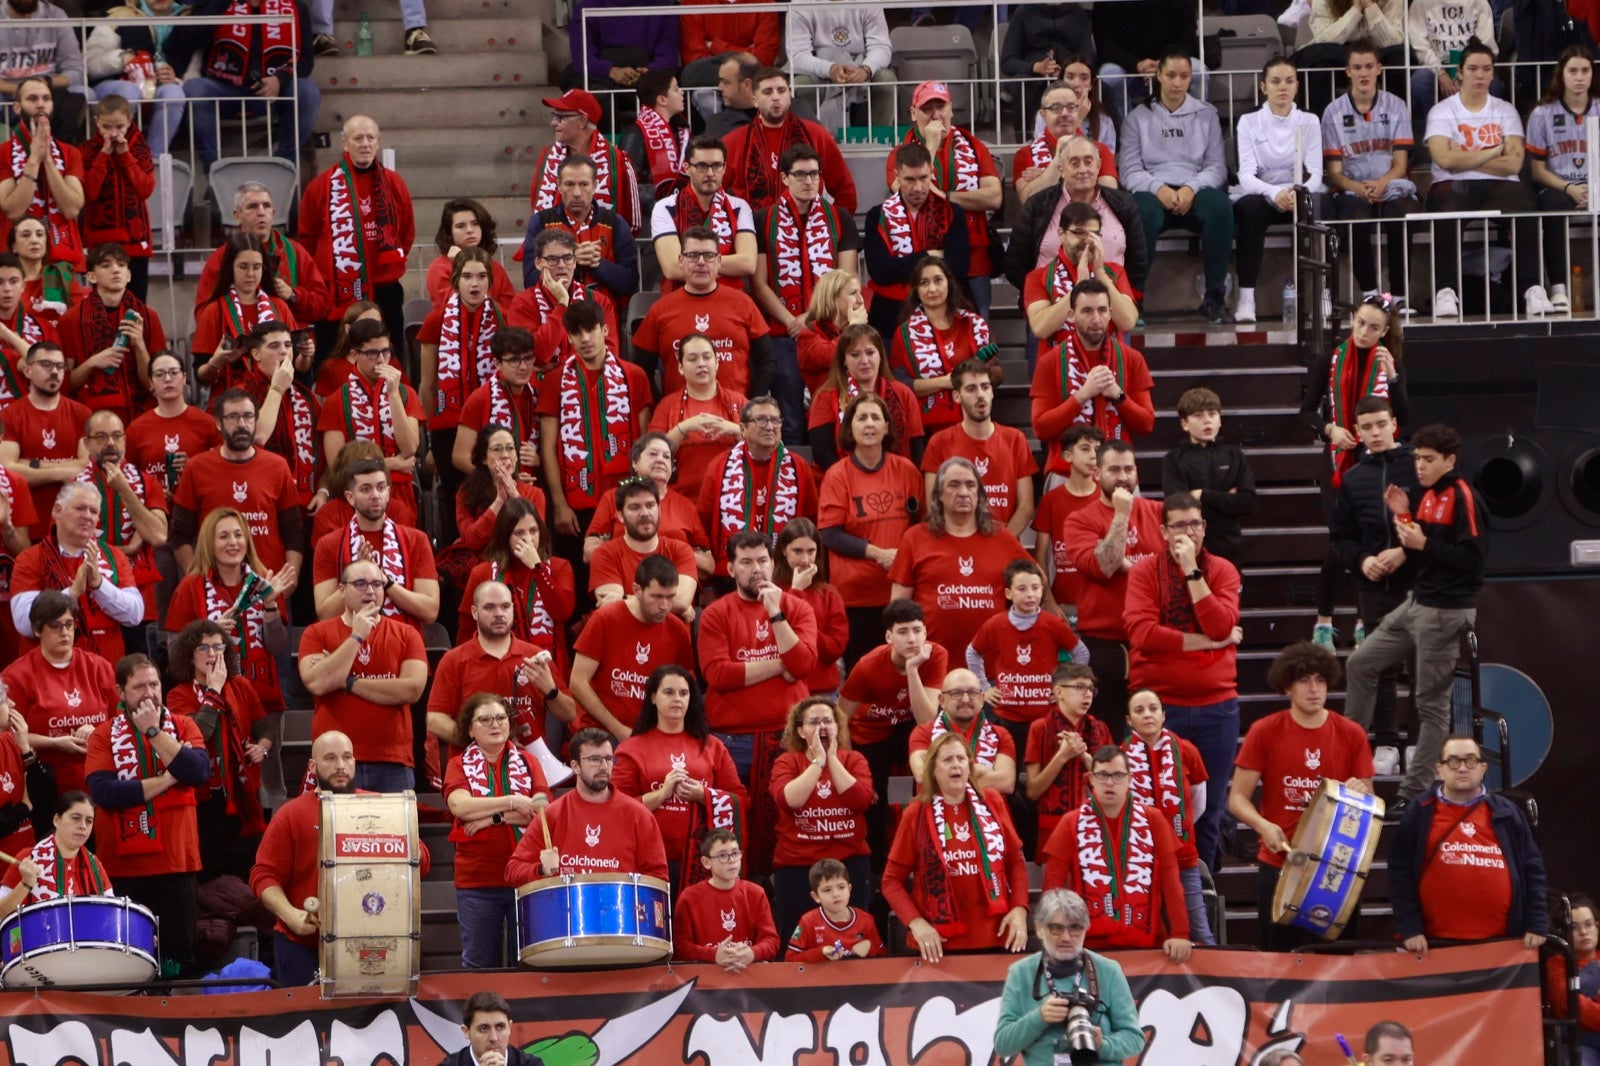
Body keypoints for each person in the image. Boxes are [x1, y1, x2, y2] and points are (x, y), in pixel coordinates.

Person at [1344, 423, 1485, 813]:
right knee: (1360, 663)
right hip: (1418, 601)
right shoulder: (1425, 495)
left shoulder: (1462, 496)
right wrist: (1405, 519)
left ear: (1450, 461)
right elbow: (1423, 551)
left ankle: (1414, 791)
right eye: (1417, 458)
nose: (1419, 466)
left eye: (1428, 460)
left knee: (1430, 703)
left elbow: (1474, 563)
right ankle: (1346, 763)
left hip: (1447, 609)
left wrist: (1423, 541)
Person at [250, 729, 432, 987]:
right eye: (330, 758)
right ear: (312, 766)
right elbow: (263, 876)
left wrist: (395, 835)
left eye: (347, 757)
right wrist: (290, 914)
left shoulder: (380, 807)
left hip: (370, 939)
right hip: (303, 943)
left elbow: (421, 863)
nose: (340, 766)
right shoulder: (290, 814)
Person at [1124, 492, 1243, 874]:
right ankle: (1154, 887)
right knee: (1154, 806)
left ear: (1205, 528)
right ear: (1162, 531)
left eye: (1194, 524)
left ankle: (1202, 889)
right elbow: (1142, 633)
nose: (1188, 532)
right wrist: (1208, 643)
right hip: (1160, 708)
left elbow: (1221, 624)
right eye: (1179, 525)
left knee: (1207, 808)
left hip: (1216, 707)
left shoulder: (1222, 570)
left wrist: (1193, 571)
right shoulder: (1144, 572)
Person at [1229, 641, 1374, 951]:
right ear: (1287, 687)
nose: (1314, 688)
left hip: (1336, 869)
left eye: (1320, 680)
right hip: (1281, 861)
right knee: (1280, 964)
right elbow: (1237, 798)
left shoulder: (1351, 733)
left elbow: (1369, 801)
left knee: (1337, 967)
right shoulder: (1264, 731)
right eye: (1304, 680)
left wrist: (1359, 792)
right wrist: (1263, 825)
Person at [85, 653, 210, 978]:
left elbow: (196, 771)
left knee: (178, 959)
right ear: (121, 692)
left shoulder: (183, 724)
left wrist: (153, 732)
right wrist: (169, 778)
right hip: (122, 868)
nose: (149, 693)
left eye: (154, 684)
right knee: (127, 960)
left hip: (177, 862)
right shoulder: (102, 734)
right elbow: (105, 793)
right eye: (139, 686)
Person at [1303, 293, 1408, 648]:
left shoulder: (1389, 360)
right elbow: (1305, 412)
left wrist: (1393, 377)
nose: (1363, 332)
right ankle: (1324, 621)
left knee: (1373, 540)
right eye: (1360, 323)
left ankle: (1365, 620)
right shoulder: (1332, 357)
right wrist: (1329, 429)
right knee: (1339, 542)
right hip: (1338, 459)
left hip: (1376, 463)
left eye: (1373, 327)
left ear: (1385, 330)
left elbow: (1404, 421)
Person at [1390, 733, 1547, 955]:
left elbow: (1533, 870)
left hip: (1504, 947)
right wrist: (1410, 928)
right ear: (1439, 769)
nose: (1462, 768)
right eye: (1453, 761)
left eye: (1471, 760)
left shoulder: (1508, 812)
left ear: (1483, 768)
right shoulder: (1420, 811)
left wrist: (1536, 922)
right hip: (1435, 947)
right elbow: (1400, 874)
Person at [883, 731, 1029, 960]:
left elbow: (1015, 861)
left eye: (961, 759)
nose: (956, 765)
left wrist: (1019, 909)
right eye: (948, 760)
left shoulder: (991, 801)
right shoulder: (916, 813)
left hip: (995, 938)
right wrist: (917, 924)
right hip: (938, 946)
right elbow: (891, 881)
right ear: (933, 769)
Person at [752, 143, 861, 441]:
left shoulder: (840, 217)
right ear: (784, 178)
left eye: (814, 174)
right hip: (782, 332)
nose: (808, 181)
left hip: (829, 329)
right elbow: (758, 283)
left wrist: (810, 318)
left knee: (833, 410)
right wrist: (791, 321)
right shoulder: (763, 219)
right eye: (800, 174)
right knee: (789, 416)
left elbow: (848, 279)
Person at [1041, 746, 1191, 960]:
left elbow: (1171, 879)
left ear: (1130, 779)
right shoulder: (1070, 822)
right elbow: (1052, 889)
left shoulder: (1153, 819)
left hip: (1147, 946)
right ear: (1091, 779)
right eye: (1103, 775)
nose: (1110, 783)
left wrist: (1180, 933)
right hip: (1087, 949)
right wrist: (1056, 939)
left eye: (1118, 776)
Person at [1422, 39, 1538, 319]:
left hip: (1501, 186)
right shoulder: (1442, 111)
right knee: (1445, 206)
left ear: (1493, 74)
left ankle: (1532, 288)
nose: (1480, 75)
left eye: (1486, 69)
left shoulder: (1505, 110)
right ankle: (1445, 291)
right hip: (1451, 186)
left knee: (1526, 204)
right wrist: (1494, 150)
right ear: (1459, 72)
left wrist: (1467, 155)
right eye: (1473, 68)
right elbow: (1444, 159)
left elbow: (1514, 162)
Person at [1119, 51, 1234, 323]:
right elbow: (1129, 170)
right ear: (1158, 76)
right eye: (1170, 75)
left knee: (1220, 207)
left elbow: (1217, 166)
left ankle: (1214, 295)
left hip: (1193, 188)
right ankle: (1134, 297)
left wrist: (1191, 188)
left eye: (1184, 76)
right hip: (1153, 189)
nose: (1177, 82)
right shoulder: (1136, 118)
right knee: (1141, 212)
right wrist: (1158, 188)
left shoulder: (1206, 115)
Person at [1061, 440, 1166, 738]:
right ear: (1097, 474)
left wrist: (1133, 567)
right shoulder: (1079, 519)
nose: (1122, 477)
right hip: (1104, 645)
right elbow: (1104, 566)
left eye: (1129, 469)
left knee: (1156, 733)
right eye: (1114, 469)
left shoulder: (1160, 513)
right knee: (1106, 734)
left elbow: (1179, 572)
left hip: (1154, 641)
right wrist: (1121, 515)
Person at [168, 390, 305, 614]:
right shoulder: (197, 467)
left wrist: (291, 579)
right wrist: (198, 579)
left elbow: (294, 532)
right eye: (233, 417)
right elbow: (180, 535)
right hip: (215, 595)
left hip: (269, 589)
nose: (241, 424)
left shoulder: (277, 466)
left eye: (248, 416)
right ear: (219, 423)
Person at [1329, 397, 1418, 741]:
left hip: (1418, 583)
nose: (1375, 432)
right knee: (1380, 665)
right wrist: (1362, 560)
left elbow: (1434, 525)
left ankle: (1416, 739)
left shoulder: (1417, 465)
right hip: (1374, 586)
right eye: (1367, 427)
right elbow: (1341, 535)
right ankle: (1384, 737)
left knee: (1421, 666)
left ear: (1394, 423)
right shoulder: (1353, 478)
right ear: (1357, 432)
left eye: (1381, 424)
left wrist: (1403, 553)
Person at [298, 558, 428, 792]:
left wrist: (346, 681)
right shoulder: (316, 633)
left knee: (394, 829)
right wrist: (356, 637)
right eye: (360, 584)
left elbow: (411, 689)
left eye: (377, 584)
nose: (370, 591)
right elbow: (317, 682)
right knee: (336, 829)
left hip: (393, 761)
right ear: (341, 590)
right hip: (336, 761)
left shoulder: (407, 634)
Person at [699, 530, 818, 781]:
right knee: (735, 816)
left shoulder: (797, 608)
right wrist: (780, 664)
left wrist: (775, 613)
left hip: (789, 736)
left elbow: (803, 666)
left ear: (773, 564)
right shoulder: (715, 614)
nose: (757, 569)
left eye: (763, 560)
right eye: (746, 562)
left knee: (786, 818)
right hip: (732, 740)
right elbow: (719, 674)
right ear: (731, 569)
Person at [537, 300, 652, 560]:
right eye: (577, 333)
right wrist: (559, 505)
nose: (585, 339)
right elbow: (548, 447)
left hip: (624, 498)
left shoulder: (634, 375)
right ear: (569, 337)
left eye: (591, 330)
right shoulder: (555, 380)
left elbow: (645, 443)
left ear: (605, 330)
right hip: (577, 507)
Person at [444, 692, 550, 969]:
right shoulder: (457, 765)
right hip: (477, 882)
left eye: (501, 718)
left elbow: (541, 811)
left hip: (525, 879)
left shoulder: (529, 762)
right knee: (479, 966)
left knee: (527, 964)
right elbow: (461, 807)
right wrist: (513, 802)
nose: (495, 725)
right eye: (485, 719)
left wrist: (492, 818)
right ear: (469, 729)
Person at [613, 665, 745, 886]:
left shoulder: (713, 746)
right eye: (669, 692)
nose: (677, 699)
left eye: (684, 693)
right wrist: (661, 795)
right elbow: (615, 809)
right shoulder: (631, 748)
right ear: (653, 697)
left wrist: (704, 795)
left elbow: (739, 800)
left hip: (703, 861)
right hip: (648, 858)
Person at [891, 457, 1031, 662]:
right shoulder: (915, 538)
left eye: (970, 485)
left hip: (993, 669)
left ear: (979, 494)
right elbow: (898, 607)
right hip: (932, 666)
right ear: (939, 494)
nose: (964, 492)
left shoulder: (1002, 537)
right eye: (954, 485)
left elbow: (1036, 583)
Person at [429, 580, 567, 785]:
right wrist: (483, 741)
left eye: (505, 606)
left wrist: (551, 691)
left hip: (529, 772)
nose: (499, 613)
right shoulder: (455, 660)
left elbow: (569, 714)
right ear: (474, 612)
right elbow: (435, 720)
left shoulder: (534, 656)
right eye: (490, 607)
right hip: (472, 775)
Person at [993, 889, 1147, 1065]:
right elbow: (1003, 1045)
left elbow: (1135, 1039)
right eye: (1056, 928)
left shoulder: (1108, 970)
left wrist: (1102, 1044)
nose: (1066, 937)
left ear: (1085, 930)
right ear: (1040, 929)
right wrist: (1039, 1017)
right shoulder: (1021, 973)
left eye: (1075, 928)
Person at [298, 116, 415, 346]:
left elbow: (406, 234)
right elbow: (307, 239)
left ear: (378, 141)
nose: (365, 144)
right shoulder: (321, 186)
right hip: (337, 292)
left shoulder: (394, 183)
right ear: (345, 144)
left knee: (389, 360)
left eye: (370, 138)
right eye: (358, 138)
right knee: (334, 360)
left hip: (385, 291)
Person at [888, 82, 1002, 319]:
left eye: (941, 106)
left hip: (974, 259)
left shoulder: (974, 145)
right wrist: (930, 145)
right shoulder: (900, 154)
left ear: (951, 109)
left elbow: (994, 197)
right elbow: (903, 193)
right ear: (913, 113)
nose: (936, 115)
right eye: (927, 108)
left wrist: (946, 198)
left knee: (976, 329)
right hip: (923, 258)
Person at [166, 619, 268, 882]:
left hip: (244, 792)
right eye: (203, 648)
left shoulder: (242, 686)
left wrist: (262, 748)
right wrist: (213, 690)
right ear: (189, 655)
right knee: (210, 877)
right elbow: (198, 734)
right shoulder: (178, 695)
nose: (212, 655)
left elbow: (265, 729)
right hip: (205, 799)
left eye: (218, 647)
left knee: (248, 872)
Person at [818, 391, 924, 641]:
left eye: (875, 417)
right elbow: (830, 534)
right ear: (849, 427)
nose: (869, 424)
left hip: (901, 592)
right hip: (855, 597)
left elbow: (920, 523)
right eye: (861, 417)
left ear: (886, 426)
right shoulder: (837, 475)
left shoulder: (907, 470)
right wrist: (879, 554)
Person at [166, 0, 319, 170]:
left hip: (271, 94)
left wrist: (279, 78)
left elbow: (306, 60)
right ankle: (214, 169)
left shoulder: (296, 7)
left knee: (308, 90)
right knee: (194, 89)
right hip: (224, 89)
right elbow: (186, 40)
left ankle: (285, 165)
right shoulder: (215, 3)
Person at [838, 599, 942, 848]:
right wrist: (850, 765)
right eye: (903, 632)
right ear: (888, 636)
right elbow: (841, 715)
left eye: (917, 630)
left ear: (926, 632)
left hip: (908, 726)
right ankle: (877, 866)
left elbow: (926, 719)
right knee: (874, 801)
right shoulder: (868, 665)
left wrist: (913, 670)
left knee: (935, 749)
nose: (912, 639)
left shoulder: (936, 655)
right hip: (869, 732)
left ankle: (929, 845)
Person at [769, 696, 874, 943]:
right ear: (800, 731)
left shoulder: (854, 760)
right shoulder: (787, 761)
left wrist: (833, 759)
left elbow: (860, 801)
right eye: (814, 722)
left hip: (849, 862)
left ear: (838, 728)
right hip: (797, 864)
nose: (822, 727)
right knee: (795, 941)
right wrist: (818, 761)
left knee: (854, 941)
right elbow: (789, 800)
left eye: (828, 721)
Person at [1229, 57, 1324, 324]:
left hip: (1298, 190)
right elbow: (1246, 175)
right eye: (1275, 81)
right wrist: (1273, 193)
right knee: (1249, 210)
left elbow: (1315, 172)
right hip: (1263, 191)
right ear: (1263, 87)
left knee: (1317, 206)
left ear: (1297, 86)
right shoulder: (1248, 121)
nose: (1283, 87)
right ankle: (1247, 297)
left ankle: (1318, 296)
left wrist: (1297, 193)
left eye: (1289, 81)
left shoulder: (1309, 121)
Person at [504, 727, 668, 882]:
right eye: (594, 760)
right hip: (565, 911)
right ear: (575, 766)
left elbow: (658, 876)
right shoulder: (552, 814)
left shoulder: (639, 815)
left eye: (609, 759)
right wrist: (541, 869)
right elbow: (512, 871)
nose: (604, 767)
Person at [1322, 40, 1418, 302]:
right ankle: (1370, 294)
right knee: (1355, 218)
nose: (1363, 73)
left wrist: (1381, 183)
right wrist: (1359, 188)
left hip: (1391, 185)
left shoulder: (1397, 105)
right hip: (1353, 189)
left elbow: (1400, 164)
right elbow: (1334, 172)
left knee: (1401, 215)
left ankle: (1399, 295)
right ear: (1348, 71)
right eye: (1357, 67)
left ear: (1379, 69)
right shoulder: (1333, 112)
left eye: (1368, 66)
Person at [420, 248, 512, 521]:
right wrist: (429, 445)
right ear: (455, 281)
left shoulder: (502, 316)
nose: (475, 284)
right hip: (447, 428)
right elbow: (427, 385)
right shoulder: (436, 319)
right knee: (455, 505)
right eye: (468, 276)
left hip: (492, 425)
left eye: (482, 276)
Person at [1029, 279, 1154, 479]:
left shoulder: (1132, 358)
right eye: (1087, 311)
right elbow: (1041, 429)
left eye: (1102, 310)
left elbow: (1146, 424)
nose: (1096, 319)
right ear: (1071, 315)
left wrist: (1118, 395)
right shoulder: (1049, 362)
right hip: (1066, 473)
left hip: (1118, 473)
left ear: (1110, 313)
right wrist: (1082, 395)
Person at [632, 226, 772, 400]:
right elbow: (641, 369)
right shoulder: (660, 310)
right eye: (692, 255)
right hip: (680, 419)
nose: (701, 262)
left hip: (735, 417)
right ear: (680, 261)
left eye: (708, 255)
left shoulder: (743, 304)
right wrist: (662, 406)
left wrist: (749, 406)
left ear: (719, 261)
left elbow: (767, 361)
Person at [1007, 134, 1147, 307]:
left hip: (1109, 310)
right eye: (1074, 163)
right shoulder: (1037, 205)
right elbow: (1016, 262)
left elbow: (1138, 261)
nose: (1083, 170)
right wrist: (1039, 298)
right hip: (1050, 312)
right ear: (1061, 169)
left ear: (1099, 166)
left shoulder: (1124, 205)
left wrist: (1121, 300)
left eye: (1088, 162)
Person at [11, 482, 143, 663]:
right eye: (80, 508)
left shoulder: (114, 556)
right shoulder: (30, 558)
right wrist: (71, 594)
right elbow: (24, 623)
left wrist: (99, 585)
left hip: (105, 675)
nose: (88, 516)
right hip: (47, 676)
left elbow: (135, 614)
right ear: (58, 510)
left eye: (94, 511)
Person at [967, 559, 1087, 756]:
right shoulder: (996, 624)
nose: (1030, 594)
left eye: (1035, 588)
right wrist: (984, 688)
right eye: (1022, 589)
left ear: (1042, 590)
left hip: (1046, 715)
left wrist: (1066, 689)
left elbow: (1081, 653)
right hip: (1007, 716)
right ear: (1008, 593)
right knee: (1009, 774)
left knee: (1045, 771)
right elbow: (972, 652)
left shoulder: (1053, 623)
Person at [1122, 687, 1212, 945]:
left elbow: (1199, 802)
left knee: (1200, 931)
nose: (1147, 715)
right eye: (1139, 711)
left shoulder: (1186, 750)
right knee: (1143, 931)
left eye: (1153, 709)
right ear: (1129, 721)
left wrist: (1173, 833)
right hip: (1136, 860)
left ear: (1163, 714)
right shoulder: (1119, 756)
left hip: (1183, 854)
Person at [3, 590, 116, 796]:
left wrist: (98, 731)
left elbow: (120, 721)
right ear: (38, 630)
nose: (64, 632)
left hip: (101, 779)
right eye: (55, 626)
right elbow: (8, 736)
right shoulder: (16, 676)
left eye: (69, 624)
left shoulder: (99, 667)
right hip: (46, 784)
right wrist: (54, 743)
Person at [568, 556, 692, 738]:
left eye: (670, 597)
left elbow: (685, 688)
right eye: (657, 597)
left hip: (652, 736)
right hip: (601, 733)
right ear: (637, 590)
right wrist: (618, 730)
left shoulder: (677, 630)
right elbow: (577, 682)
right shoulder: (605, 619)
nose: (665, 606)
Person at [316, 320, 424, 527]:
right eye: (372, 353)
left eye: (386, 352)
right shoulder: (336, 401)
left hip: (399, 494)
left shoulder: (404, 393)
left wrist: (393, 394)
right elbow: (337, 467)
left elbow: (409, 448)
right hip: (355, 496)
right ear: (354, 354)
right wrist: (391, 463)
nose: (381, 360)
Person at [310, 460, 439, 630]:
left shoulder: (416, 540)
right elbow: (325, 613)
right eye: (365, 489)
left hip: (402, 646)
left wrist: (385, 581)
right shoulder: (328, 544)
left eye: (380, 487)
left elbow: (430, 611)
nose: (375, 495)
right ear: (350, 497)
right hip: (349, 645)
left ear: (388, 492)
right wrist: (356, 573)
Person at [863, 143, 969, 341]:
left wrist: (901, 266)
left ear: (932, 172)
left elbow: (958, 268)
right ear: (897, 176)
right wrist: (928, 256)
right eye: (910, 180)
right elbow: (879, 271)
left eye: (923, 178)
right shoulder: (877, 215)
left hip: (943, 315)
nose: (918, 187)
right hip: (889, 318)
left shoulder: (952, 212)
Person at [456, 500, 575, 674]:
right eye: (519, 533)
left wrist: (537, 569)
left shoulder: (559, 568)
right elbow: (466, 630)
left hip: (548, 671)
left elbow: (562, 612)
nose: (528, 539)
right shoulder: (482, 573)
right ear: (505, 536)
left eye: (533, 531)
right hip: (496, 670)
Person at [699, 394, 818, 568]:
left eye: (775, 420)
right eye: (761, 420)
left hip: (784, 568)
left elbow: (811, 520)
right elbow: (704, 520)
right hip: (732, 570)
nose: (770, 427)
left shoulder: (799, 467)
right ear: (743, 429)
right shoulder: (719, 466)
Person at [192, 182, 331, 331]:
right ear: (237, 216)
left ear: (273, 212)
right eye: (252, 207)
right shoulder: (221, 257)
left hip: (290, 346)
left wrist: (292, 295)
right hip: (239, 345)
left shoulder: (295, 252)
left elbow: (322, 306)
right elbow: (203, 314)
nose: (261, 212)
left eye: (266, 206)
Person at [922, 360, 1036, 538]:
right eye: (971, 389)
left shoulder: (1015, 439)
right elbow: (932, 506)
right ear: (956, 396)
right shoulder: (939, 442)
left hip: (1003, 546)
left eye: (985, 387)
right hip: (956, 546)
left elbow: (1026, 507)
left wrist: (999, 544)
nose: (980, 395)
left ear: (992, 392)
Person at [1526, 45, 1600, 312]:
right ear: (1562, 74)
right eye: (1573, 71)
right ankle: (1558, 288)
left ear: (1593, 74)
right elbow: (1536, 169)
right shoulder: (1542, 113)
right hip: (1559, 184)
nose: (1579, 77)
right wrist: (1569, 188)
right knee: (1553, 208)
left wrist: (1593, 189)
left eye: (1585, 70)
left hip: (1597, 185)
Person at [723, 68, 856, 216]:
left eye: (781, 91)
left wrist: (831, 225)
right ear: (755, 100)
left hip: (807, 229)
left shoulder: (816, 135)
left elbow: (845, 191)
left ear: (789, 96)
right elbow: (714, 192)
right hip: (753, 231)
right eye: (768, 92)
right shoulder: (733, 142)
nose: (776, 97)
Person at [890, 257, 998, 438]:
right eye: (924, 283)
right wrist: (947, 381)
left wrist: (977, 376)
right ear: (916, 289)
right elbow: (901, 385)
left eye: (938, 280)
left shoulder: (975, 324)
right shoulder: (905, 333)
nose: (932, 289)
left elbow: (998, 374)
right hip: (925, 431)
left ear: (949, 283)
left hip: (973, 425)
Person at [78, 408, 167, 627]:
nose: (110, 443)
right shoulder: (74, 487)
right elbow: (67, 544)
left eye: (117, 436)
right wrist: (124, 550)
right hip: (90, 594)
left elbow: (158, 536)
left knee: (140, 661)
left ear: (125, 441)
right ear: (86, 443)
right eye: (101, 437)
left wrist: (124, 490)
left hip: (140, 593)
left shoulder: (146, 482)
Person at [59, 243, 162, 421]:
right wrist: (92, 363)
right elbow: (64, 383)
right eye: (106, 265)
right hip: (90, 416)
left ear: (129, 275)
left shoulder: (148, 317)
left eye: (121, 265)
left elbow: (156, 384)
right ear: (91, 276)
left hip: (140, 415)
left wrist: (139, 346)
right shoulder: (71, 319)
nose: (116, 270)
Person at [519, 153, 638, 304]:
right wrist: (571, 261)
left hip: (604, 318)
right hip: (554, 314)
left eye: (584, 184)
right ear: (559, 186)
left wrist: (598, 264)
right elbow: (530, 280)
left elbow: (630, 283)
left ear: (595, 186)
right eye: (569, 184)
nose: (576, 193)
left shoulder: (615, 222)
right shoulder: (541, 222)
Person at [1020, 202, 1139, 352]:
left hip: (1108, 368)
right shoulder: (1037, 277)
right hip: (1060, 368)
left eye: (1094, 234)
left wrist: (1100, 273)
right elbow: (1040, 328)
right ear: (1061, 234)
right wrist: (1079, 287)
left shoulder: (1115, 272)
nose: (1087, 240)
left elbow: (1127, 322)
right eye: (1078, 232)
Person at [584, 431, 710, 570]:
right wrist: (638, 549)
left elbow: (708, 565)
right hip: (623, 581)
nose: (661, 460)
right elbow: (589, 553)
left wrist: (667, 551)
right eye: (653, 454)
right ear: (635, 462)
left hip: (676, 585)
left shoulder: (686, 506)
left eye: (667, 457)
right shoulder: (613, 497)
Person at [1161, 387, 1258, 566]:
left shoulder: (1234, 455)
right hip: (1190, 550)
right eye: (1198, 415)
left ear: (1220, 420)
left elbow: (1248, 503)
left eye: (1212, 414)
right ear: (1185, 424)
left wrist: (1202, 495)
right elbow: (1178, 507)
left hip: (1229, 550)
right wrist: (1228, 499)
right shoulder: (1173, 459)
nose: (1207, 420)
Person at [806, 323, 922, 472]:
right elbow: (822, 453)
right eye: (855, 355)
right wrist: (857, 480)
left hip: (895, 479)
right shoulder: (826, 397)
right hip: (842, 480)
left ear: (881, 355)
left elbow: (916, 448)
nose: (865, 361)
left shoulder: (904, 393)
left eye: (870, 352)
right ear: (844, 360)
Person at [506, 230, 621, 379]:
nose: (561, 265)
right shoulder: (523, 303)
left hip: (586, 386)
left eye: (567, 258)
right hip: (540, 392)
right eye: (553, 259)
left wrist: (556, 368)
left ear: (574, 261)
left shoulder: (598, 301)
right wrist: (562, 305)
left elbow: (609, 355)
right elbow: (538, 354)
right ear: (539, 263)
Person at [650, 135, 757, 293]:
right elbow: (672, 268)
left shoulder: (739, 207)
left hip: (729, 300)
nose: (710, 173)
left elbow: (748, 263)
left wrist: (694, 264)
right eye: (701, 166)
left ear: (725, 167)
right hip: (682, 299)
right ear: (687, 168)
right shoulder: (665, 207)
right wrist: (725, 265)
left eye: (716, 165)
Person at [1027, 664, 1112, 862]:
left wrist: (1088, 760)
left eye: (1091, 689)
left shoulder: (1100, 729)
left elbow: (1117, 785)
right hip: (1053, 828)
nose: (1088, 694)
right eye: (1080, 687)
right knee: (1057, 891)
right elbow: (1033, 790)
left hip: (1096, 827)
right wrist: (1062, 756)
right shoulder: (1041, 728)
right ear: (1059, 692)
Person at [192, 236, 297, 394]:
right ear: (230, 268)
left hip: (276, 398)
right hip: (230, 401)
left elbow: (295, 364)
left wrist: (306, 356)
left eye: (257, 267)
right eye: (243, 266)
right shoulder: (214, 310)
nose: (251, 273)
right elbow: (199, 376)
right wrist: (215, 363)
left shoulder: (279, 306)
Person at [527, 88, 641, 235]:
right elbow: (536, 211)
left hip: (602, 252)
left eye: (560, 117)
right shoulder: (547, 155)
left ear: (581, 122)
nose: (553, 123)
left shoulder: (619, 161)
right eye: (553, 116)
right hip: (554, 251)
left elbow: (632, 222)